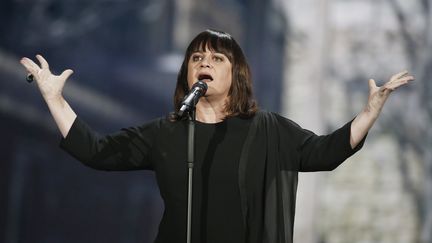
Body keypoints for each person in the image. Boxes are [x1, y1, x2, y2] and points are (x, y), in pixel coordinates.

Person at [20, 29, 414, 243]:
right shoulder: (168, 132)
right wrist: (54, 99)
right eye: (196, 58)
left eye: (216, 58)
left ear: (235, 74)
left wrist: (368, 112)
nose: (204, 62)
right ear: (188, 74)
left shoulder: (269, 130)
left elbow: (326, 152)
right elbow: (96, 151)